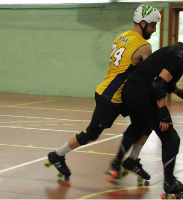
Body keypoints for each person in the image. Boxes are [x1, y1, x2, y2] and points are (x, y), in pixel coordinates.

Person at [45, 5, 161, 181]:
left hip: (119, 95)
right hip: (111, 97)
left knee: (147, 122)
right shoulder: (144, 46)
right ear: (143, 23)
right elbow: (150, 75)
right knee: (91, 134)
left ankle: (132, 160)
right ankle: (57, 155)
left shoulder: (121, 37)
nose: (154, 30)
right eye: (152, 25)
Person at [108, 25, 183, 197]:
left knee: (140, 126)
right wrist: (162, 111)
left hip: (131, 92)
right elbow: (159, 84)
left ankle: (119, 162)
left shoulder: (176, 49)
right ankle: (169, 182)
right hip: (141, 94)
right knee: (171, 138)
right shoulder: (181, 56)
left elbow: (166, 81)